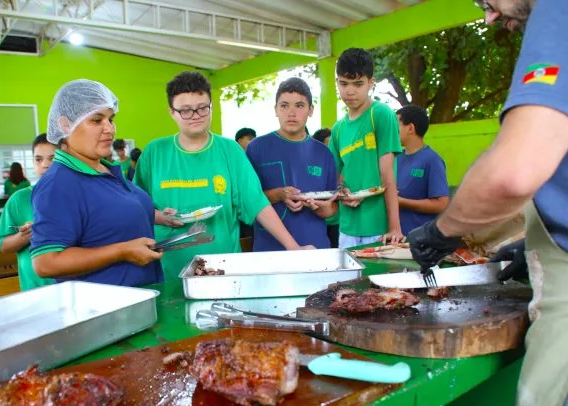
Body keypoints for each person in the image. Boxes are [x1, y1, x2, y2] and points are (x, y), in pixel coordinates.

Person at [408, 2, 568, 406]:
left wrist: (444, 230)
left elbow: (513, 171)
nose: (488, 16)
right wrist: (541, 247)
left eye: (487, 1)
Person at [134, 71, 312, 279]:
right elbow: (137, 207)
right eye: (186, 111)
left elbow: (256, 202)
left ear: (211, 106)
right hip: (168, 270)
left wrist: (293, 247)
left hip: (223, 270)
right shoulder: (155, 153)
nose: (195, 116)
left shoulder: (229, 150)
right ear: (172, 112)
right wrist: (159, 216)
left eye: (202, 108)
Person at [30, 79, 169, 287]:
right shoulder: (59, 184)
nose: (109, 129)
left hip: (140, 303)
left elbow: (106, 219)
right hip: (104, 311)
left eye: (110, 119)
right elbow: (46, 263)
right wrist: (122, 252)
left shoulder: (107, 170)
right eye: (96, 120)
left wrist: (158, 216)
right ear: (65, 125)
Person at [247, 77, 338, 251]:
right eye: (284, 105)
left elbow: (332, 206)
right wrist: (279, 195)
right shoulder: (257, 148)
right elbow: (247, 201)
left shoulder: (324, 153)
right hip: (270, 250)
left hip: (316, 248)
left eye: (299, 105)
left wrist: (324, 209)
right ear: (275, 110)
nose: (291, 112)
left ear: (311, 110)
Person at [329, 48, 403, 249]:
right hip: (347, 227)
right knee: (347, 281)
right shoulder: (338, 129)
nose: (350, 91)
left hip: (378, 226)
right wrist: (343, 192)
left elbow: (387, 174)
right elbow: (336, 176)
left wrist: (395, 228)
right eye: (343, 83)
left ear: (371, 83)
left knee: (378, 281)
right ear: (337, 83)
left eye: (358, 84)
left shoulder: (380, 115)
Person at [0, 135, 56, 291]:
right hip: (33, 290)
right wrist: (24, 236)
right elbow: (2, 244)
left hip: (71, 287)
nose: (45, 165)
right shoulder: (19, 199)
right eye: (38, 159)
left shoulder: (77, 196)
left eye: (52, 159)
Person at [395, 105, 449, 233]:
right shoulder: (396, 158)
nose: (391, 131)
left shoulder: (432, 159)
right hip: (396, 237)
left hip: (420, 239)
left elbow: (441, 204)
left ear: (411, 128)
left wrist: (401, 202)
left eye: (395, 126)